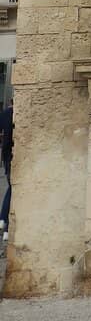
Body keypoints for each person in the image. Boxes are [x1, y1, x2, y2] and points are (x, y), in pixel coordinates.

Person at [0, 100, 12, 242]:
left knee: (11, 188)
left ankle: (3, 219)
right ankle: (6, 226)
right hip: (13, 156)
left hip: (6, 157)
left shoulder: (4, 114)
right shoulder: (12, 113)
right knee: (12, 188)